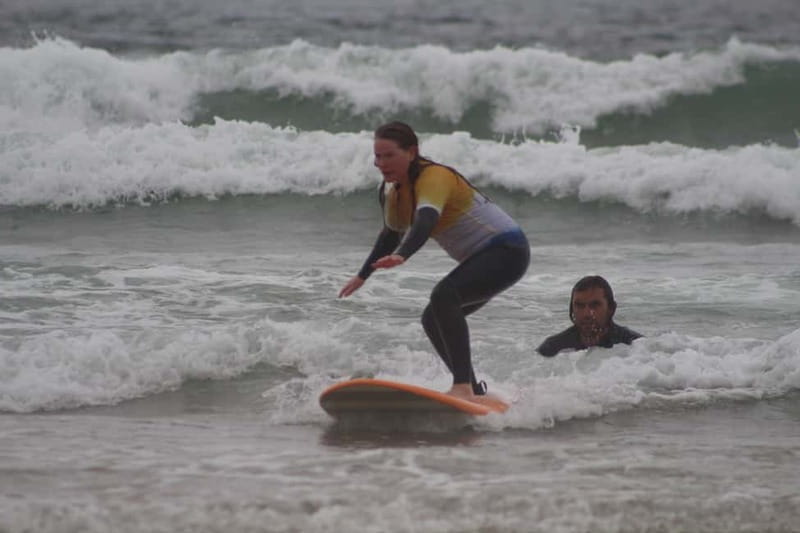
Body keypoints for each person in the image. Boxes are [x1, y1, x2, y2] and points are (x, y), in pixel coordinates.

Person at [339, 121, 530, 405]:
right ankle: (473, 391)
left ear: (412, 152)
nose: (381, 163)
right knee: (433, 317)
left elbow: (426, 219)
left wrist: (404, 254)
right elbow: (390, 234)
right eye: (377, 156)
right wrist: (362, 275)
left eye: (389, 155)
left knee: (444, 295)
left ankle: (462, 386)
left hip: (508, 250)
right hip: (485, 257)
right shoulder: (391, 192)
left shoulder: (434, 177)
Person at [537, 275, 641, 357]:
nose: (587, 313)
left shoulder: (635, 344)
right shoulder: (552, 347)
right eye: (579, 306)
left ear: (611, 309)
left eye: (595, 305)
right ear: (572, 309)